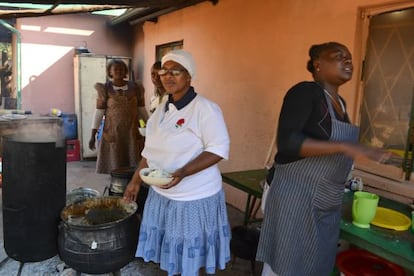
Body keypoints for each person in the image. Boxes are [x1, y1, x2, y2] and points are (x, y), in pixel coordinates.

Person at [256, 42, 393, 276]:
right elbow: (288, 142)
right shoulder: (305, 92)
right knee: (285, 266)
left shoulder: (340, 103)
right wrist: (345, 145)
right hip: (294, 196)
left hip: (326, 199)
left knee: (315, 263)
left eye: (349, 57)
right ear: (318, 64)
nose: (348, 61)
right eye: (339, 56)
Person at [124, 49, 231, 276]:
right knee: (172, 251)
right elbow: (150, 151)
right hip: (162, 195)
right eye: (164, 71)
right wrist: (135, 181)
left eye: (176, 71)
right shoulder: (162, 108)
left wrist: (183, 172)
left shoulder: (205, 109)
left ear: (189, 76)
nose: (168, 76)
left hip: (194, 197)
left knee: (194, 255)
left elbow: (218, 150)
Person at [88, 59, 148, 174]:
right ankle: (117, 186)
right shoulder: (104, 89)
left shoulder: (136, 88)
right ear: (110, 72)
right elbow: (99, 112)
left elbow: (141, 110)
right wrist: (93, 134)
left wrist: (151, 127)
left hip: (132, 133)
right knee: (115, 166)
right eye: (115, 69)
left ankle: (131, 186)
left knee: (133, 166)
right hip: (113, 133)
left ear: (126, 71)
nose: (119, 71)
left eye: (122, 69)